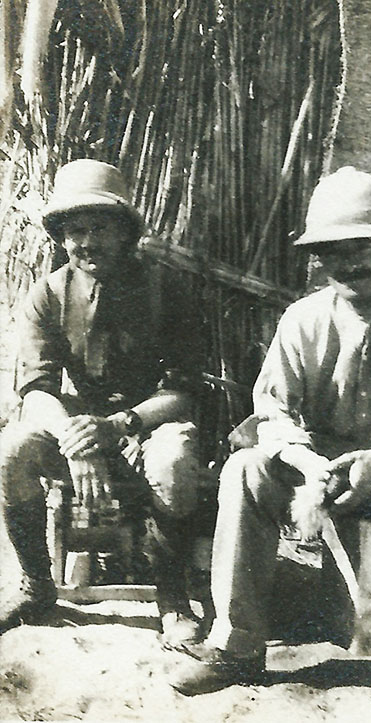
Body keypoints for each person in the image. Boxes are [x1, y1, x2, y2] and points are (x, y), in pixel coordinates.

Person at [169, 166, 371, 696]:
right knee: (244, 470)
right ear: (318, 257)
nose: (349, 263)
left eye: (362, 247)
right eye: (334, 251)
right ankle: (237, 646)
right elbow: (270, 410)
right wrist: (306, 461)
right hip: (316, 474)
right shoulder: (302, 319)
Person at [0, 159, 204, 646]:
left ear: (125, 232)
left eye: (99, 228)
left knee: (175, 461)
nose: (87, 242)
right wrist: (77, 442)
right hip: (77, 429)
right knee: (12, 450)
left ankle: (173, 600)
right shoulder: (48, 295)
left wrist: (119, 425)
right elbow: (37, 389)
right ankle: (37, 587)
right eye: (75, 231)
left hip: (147, 424)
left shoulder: (166, 291)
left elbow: (182, 391)